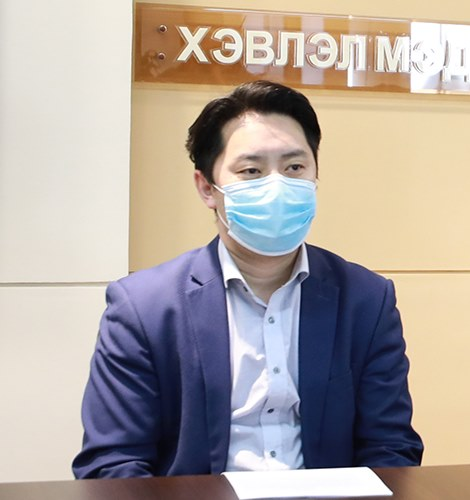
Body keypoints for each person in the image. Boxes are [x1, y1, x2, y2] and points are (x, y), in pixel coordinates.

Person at [73, 81, 423, 478]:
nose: (277, 185)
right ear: (207, 188)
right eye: (251, 171)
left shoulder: (366, 299)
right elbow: (112, 463)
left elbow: (390, 449)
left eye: (294, 168)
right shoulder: (143, 308)